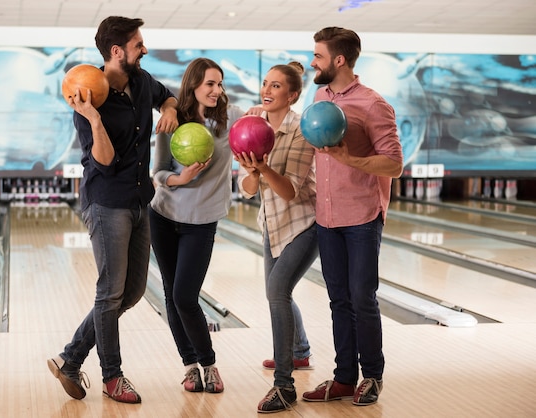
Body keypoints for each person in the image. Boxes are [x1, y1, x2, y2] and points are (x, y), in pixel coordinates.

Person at [47, 16, 178, 404]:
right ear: (117, 51)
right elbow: (103, 161)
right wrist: (92, 118)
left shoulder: (141, 80)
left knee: (133, 291)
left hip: (140, 201)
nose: (145, 49)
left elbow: (166, 95)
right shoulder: (87, 99)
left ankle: (70, 359)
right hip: (107, 203)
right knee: (109, 294)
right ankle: (112, 376)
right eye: (139, 44)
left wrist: (168, 109)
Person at [301, 27, 403, 406]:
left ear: (338, 60)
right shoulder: (319, 96)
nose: (313, 61)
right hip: (326, 216)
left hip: (361, 215)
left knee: (362, 298)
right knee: (338, 299)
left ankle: (372, 376)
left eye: (318, 55)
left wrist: (351, 159)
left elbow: (393, 164)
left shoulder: (373, 105)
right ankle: (344, 378)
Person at [148, 57, 245, 394]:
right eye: (210, 84)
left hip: (201, 222)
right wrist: (180, 177)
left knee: (184, 296)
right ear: (193, 86)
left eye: (220, 84)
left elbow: (257, 125)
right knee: (172, 296)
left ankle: (209, 364)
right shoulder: (171, 122)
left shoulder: (230, 120)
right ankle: (190, 366)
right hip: (163, 217)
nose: (217, 90)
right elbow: (157, 172)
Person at [235, 61, 318, 413]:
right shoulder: (252, 122)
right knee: (278, 293)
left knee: (276, 291)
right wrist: (253, 171)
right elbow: (249, 189)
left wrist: (265, 165)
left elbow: (290, 192)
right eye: (265, 84)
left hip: (304, 221)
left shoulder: (302, 131)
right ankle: (300, 353)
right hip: (271, 223)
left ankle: (284, 385)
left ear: (293, 95)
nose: (267, 91)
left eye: (276, 86)